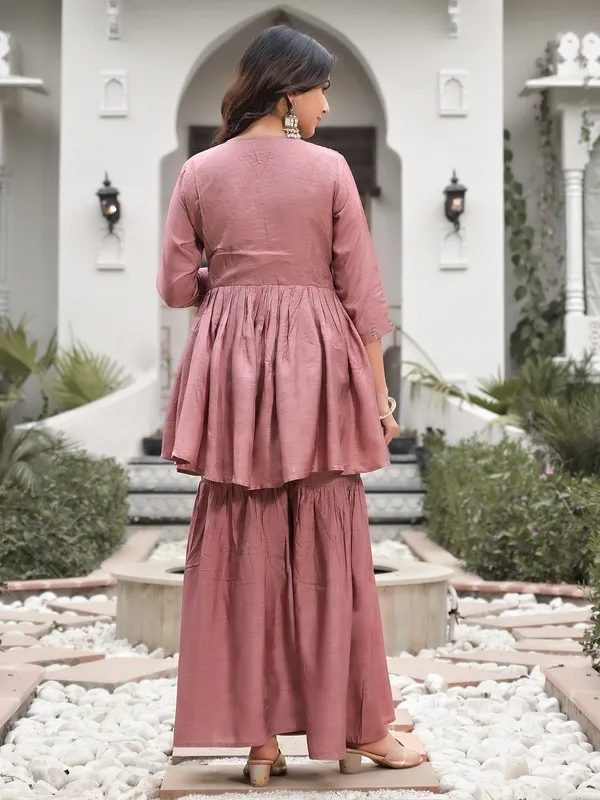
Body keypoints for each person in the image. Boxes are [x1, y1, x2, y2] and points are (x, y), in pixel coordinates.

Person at [157, 24, 423, 788]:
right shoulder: (330, 169)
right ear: (287, 92)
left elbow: (177, 287)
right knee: (328, 547)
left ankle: (260, 743)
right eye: (320, 89)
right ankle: (358, 728)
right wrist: (379, 401)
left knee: (242, 547)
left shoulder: (198, 172)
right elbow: (363, 298)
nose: (328, 105)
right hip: (318, 365)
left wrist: (231, 288)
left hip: (232, 373)